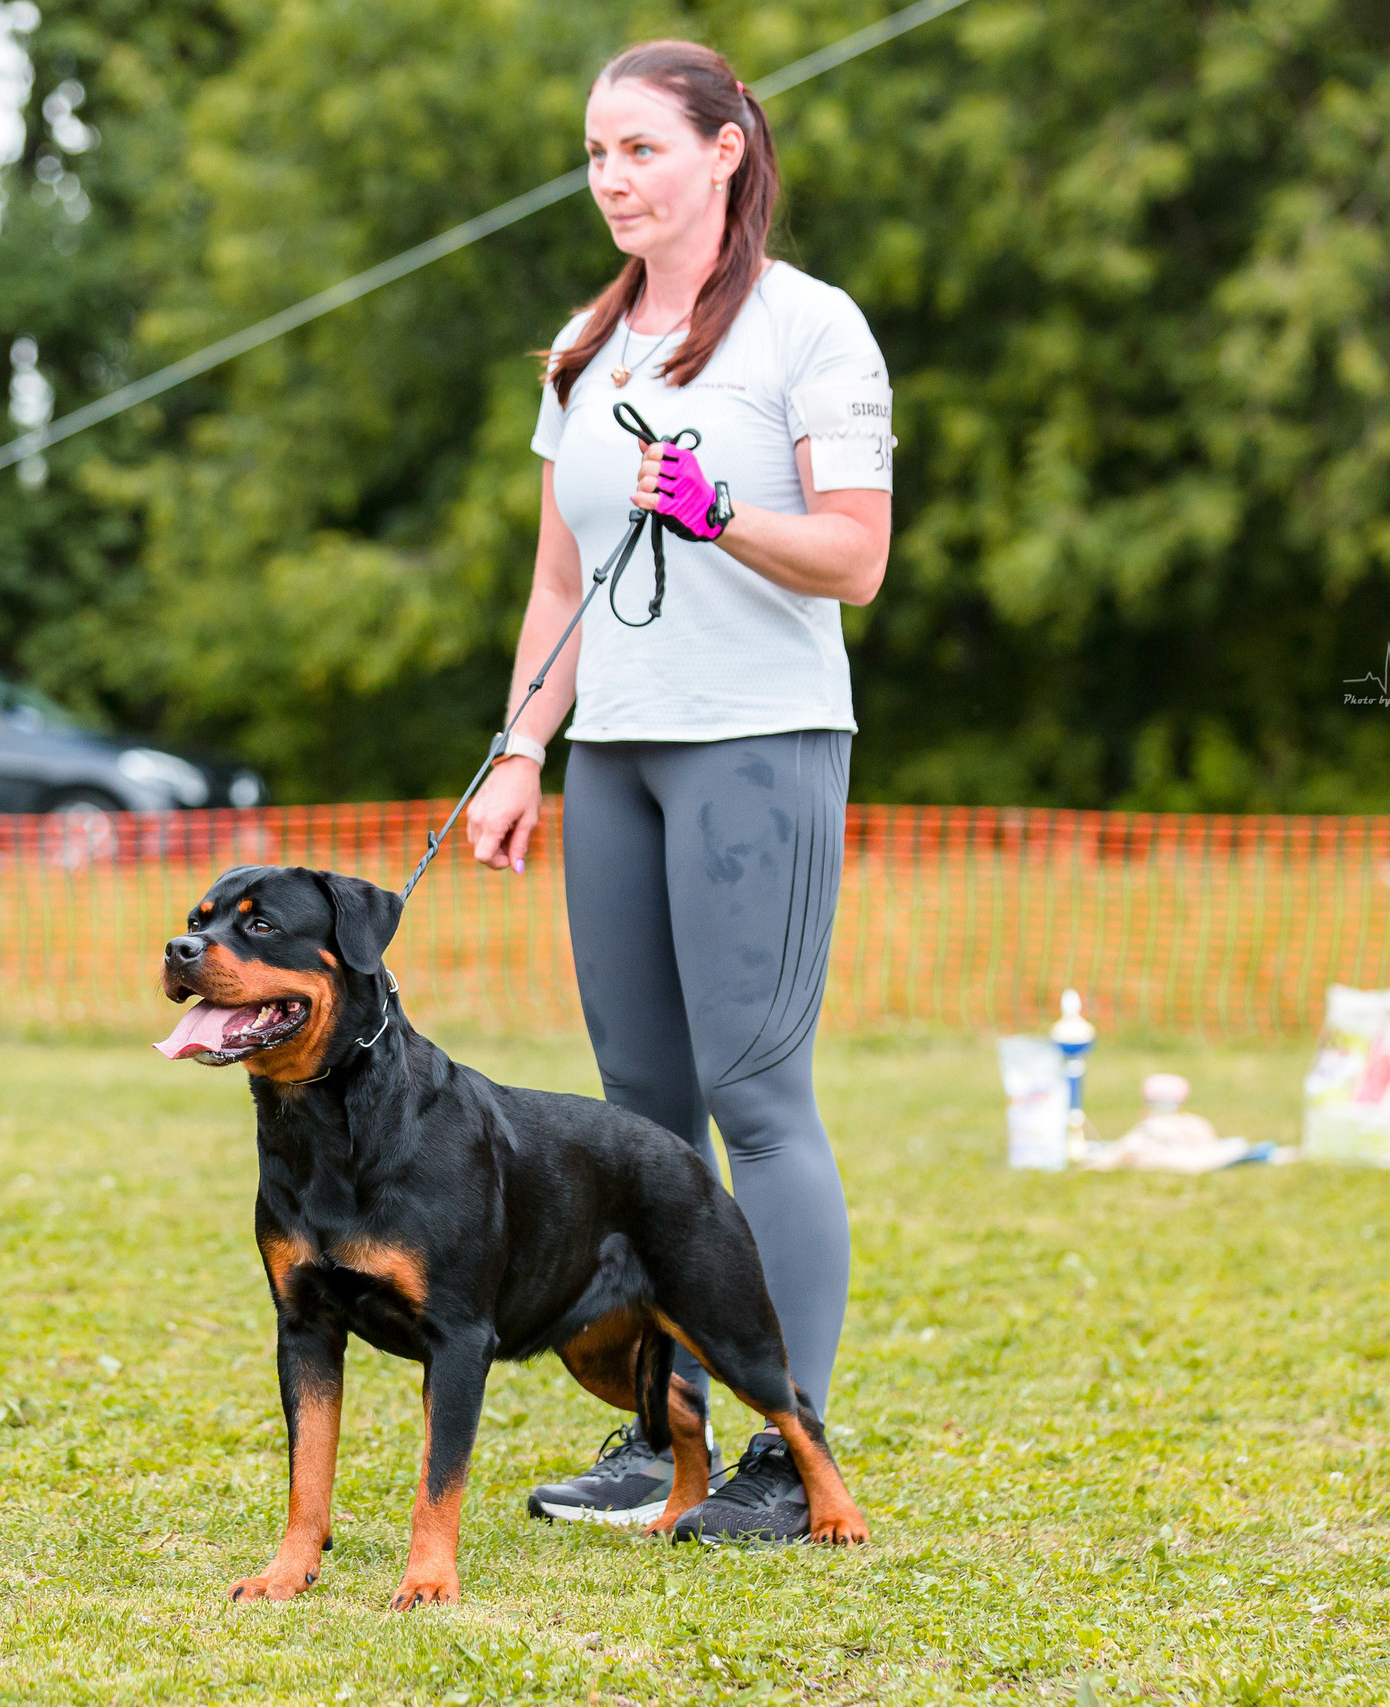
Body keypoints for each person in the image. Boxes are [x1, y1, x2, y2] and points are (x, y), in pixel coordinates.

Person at [467, 42, 894, 1542]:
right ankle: (667, 1445)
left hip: (759, 742)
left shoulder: (808, 330)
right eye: (595, 155)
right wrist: (524, 747)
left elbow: (857, 556)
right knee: (639, 1123)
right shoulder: (589, 346)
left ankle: (790, 1453)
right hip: (619, 762)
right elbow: (560, 570)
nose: (612, 180)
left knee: (754, 1104)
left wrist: (726, 518)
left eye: (641, 149)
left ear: (725, 153)